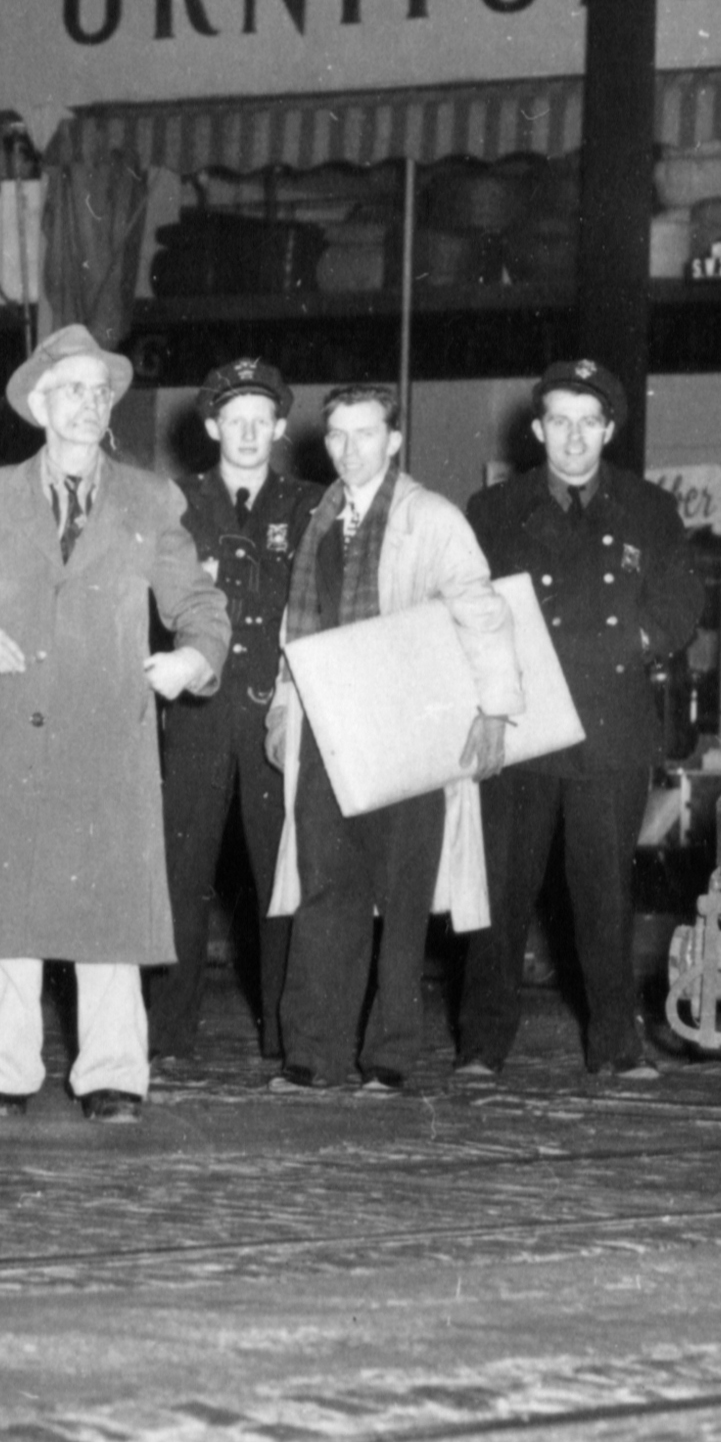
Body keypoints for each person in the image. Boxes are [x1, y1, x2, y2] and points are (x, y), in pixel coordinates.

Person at [0, 325, 228, 1122]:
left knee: (109, 913)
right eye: (73, 389)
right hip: (9, 730)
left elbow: (198, 606)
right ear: (39, 404)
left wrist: (192, 661)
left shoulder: (151, 499)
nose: (89, 403)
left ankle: (114, 1075)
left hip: (104, 733)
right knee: (8, 911)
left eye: (101, 390)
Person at [457, 357, 706, 1083]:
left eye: (588, 422)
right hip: (518, 724)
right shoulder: (493, 510)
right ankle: (480, 1044)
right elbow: (463, 606)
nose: (573, 437)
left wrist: (638, 639)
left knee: (605, 893)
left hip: (609, 726)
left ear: (609, 430)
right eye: (559, 421)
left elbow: (683, 598)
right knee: (500, 893)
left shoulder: (649, 509)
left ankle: (615, 1046)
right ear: (537, 429)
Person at [273, 382, 519, 1094]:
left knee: (405, 896)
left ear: (394, 439)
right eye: (338, 437)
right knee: (326, 888)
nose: (350, 450)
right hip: (329, 725)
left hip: (410, 725)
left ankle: (388, 1056)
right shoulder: (319, 515)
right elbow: (298, 630)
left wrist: (497, 707)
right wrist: (284, 709)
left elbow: (482, 609)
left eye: (366, 434)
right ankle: (312, 1055)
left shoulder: (430, 518)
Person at [159, 357, 310, 1067]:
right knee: (179, 873)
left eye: (262, 421)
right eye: (234, 420)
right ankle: (166, 1035)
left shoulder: (313, 505)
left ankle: (286, 1032)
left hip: (276, 712)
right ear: (212, 425)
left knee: (279, 875)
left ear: (279, 427)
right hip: (196, 711)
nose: (248, 433)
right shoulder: (173, 503)